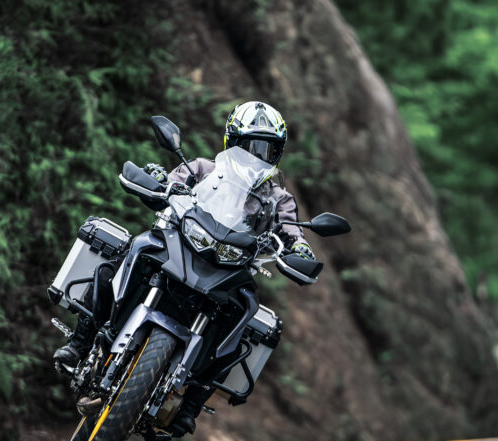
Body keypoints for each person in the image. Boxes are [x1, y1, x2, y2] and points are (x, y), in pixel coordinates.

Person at [53, 101, 315, 374]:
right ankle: (80, 344)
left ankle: (187, 408)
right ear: (231, 142)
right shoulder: (202, 169)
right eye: (248, 147)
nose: (255, 157)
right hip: (181, 245)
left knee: (242, 319)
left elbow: (292, 229)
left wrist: (299, 248)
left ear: (277, 154)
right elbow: (170, 182)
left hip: (230, 268)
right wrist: (158, 180)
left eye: (266, 150)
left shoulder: (279, 199)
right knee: (130, 252)